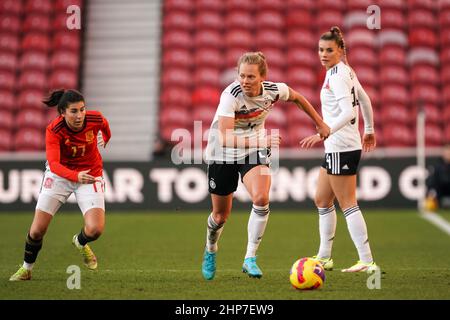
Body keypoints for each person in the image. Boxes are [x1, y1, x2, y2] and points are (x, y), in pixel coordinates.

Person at [201, 52, 330, 280]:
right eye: (242, 76)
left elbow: (298, 98)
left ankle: (250, 257)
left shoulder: (273, 90)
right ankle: (211, 249)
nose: (245, 81)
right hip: (222, 153)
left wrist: (320, 123)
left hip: (253, 151)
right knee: (220, 216)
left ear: (262, 77)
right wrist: (259, 140)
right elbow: (224, 138)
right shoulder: (230, 96)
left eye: (251, 76)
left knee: (261, 198)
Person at [9, 89, 111, 281]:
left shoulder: (95, 118)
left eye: (82, 109)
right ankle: (26, 268)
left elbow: (105, 126)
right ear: (62, 113)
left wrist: (106, 137)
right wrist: (75, 176)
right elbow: (54, 165)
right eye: (74, 111)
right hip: (60, 177)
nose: (80, 115)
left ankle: (80, 242)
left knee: (95, 230)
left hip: (90, 175)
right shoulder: (54, 130)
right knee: (37, 230)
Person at [300, 27, 378, 273]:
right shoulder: (344, 70)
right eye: (321, 50)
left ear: (340, 51)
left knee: (348, 203)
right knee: (322, 200)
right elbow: (364, 99)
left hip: (341, 146)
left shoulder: (337, 76)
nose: (323, 54)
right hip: (339, 146)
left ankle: (366, 260)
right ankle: (325, 257)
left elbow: (346, 112)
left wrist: (325, 130)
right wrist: (370, 129)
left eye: (329, 50)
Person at [425, 142, 450, 211]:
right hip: (440, 192)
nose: (448, 154)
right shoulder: (437, 166)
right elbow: (432, 182)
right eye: (446, 151)